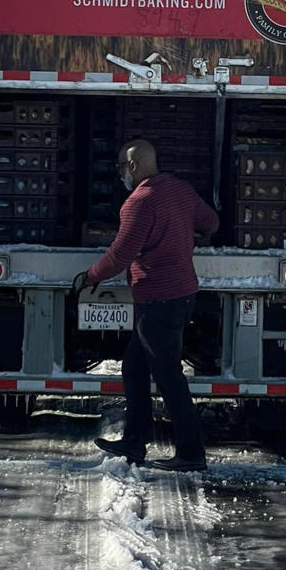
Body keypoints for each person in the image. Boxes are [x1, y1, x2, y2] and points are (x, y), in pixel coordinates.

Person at [72, 138, 218, 472]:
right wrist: (184, 232)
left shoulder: (139, 202)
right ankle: (134, 441)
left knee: (169, 377)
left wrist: (90, 277)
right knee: (134, 366)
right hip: (180, 295)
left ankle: (192, 454)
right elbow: (211, 222)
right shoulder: (181, 191)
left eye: (123, 167)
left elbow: (120, 255)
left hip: (158, 300)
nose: (121, 174)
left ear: (134, 166)